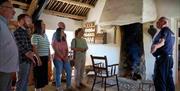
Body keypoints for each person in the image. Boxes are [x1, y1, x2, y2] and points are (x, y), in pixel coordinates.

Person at [151, 17, 175, 91]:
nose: (157, 23)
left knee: (160, 81)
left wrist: (154, 47)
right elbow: (172, 47)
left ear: (164, 22)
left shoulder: (164, 30)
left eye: (158, 22)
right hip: (169, 58)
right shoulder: (172, 33)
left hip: (162, 59)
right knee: (169, 80)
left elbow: (162, 42)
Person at [14, 14, 36, 91]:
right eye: (28, 20)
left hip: (27, 60)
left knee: (25, 81)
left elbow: (29, 46)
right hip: (22, 60)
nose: (30, 22)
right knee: (21, 82)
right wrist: (29, 53)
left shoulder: (26, 32)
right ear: (22, 21)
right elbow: (19, 45)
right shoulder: (17, 32)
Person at [0, 0, 19, 91]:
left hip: (7, 68)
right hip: (2, 69)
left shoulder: (5, 25)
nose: (14, 12)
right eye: (11, 8)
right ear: (1, 9)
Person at [52, 22, 72, 91]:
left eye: (63, 31)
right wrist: (62, 57)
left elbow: (67, 49)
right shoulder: (55, 40)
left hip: (65, 58)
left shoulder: (64, 40)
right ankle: (58, 86)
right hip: (58, 58)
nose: (64, 33)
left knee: (69, 71)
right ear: (59, 33)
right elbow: (56, 49)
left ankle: (68, 85)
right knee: (59, 73)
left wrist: (66, 56)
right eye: (62, 31)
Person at [31, 20, 50, 91]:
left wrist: (49, 56)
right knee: (38, 75)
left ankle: (41, 89)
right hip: (38, 58)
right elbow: (34, 49)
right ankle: (38, 89)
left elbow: (48, 46)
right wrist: (38, 59)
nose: (44, 25)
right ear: (38, 26)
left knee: (43, 75)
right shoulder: (35, 36)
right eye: (43, 24)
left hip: (45, 57)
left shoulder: (45, 35)